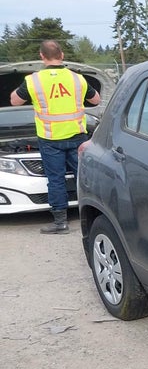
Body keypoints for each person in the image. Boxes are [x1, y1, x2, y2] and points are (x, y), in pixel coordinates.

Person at [10, 40, 100, 234]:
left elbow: (14, 101)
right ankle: (94, 218)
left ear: (42, 56)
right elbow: (96, 100)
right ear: (62, 55)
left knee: (56, 179)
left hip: (50, 139)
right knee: (83, 177)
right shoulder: (77, 79)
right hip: (78, 136)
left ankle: (60, 222)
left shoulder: (33, 80)